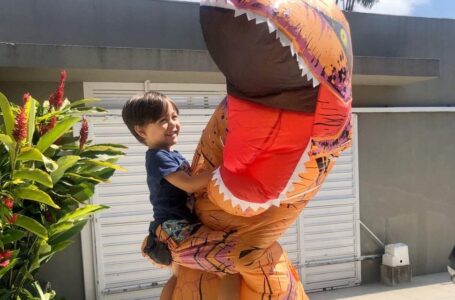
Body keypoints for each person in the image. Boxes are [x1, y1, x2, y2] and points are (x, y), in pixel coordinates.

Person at [122, 91, 240, 300]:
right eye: (163, 120)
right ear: (141, 130)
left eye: (174, 117)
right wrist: (225, 170)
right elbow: (189, 185)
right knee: (233, 264)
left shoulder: (171, 155)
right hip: (177, 227)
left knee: (179, 273)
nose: (173, 124)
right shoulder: (158, 157)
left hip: (174, 225)